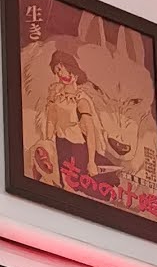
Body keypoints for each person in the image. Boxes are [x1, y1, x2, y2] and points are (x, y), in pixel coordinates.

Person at [37, 49, 107, 188]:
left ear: (71, 70)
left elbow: (90, 132)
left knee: (77, 184)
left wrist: (91, 161)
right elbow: (51, 121)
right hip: (60, 144)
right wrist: (48, 144)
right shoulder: (56, 96)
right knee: (61, 182)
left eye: (61, 69)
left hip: (78, 147)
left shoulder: (81, 100)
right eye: (56, 71)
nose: (59, 74)